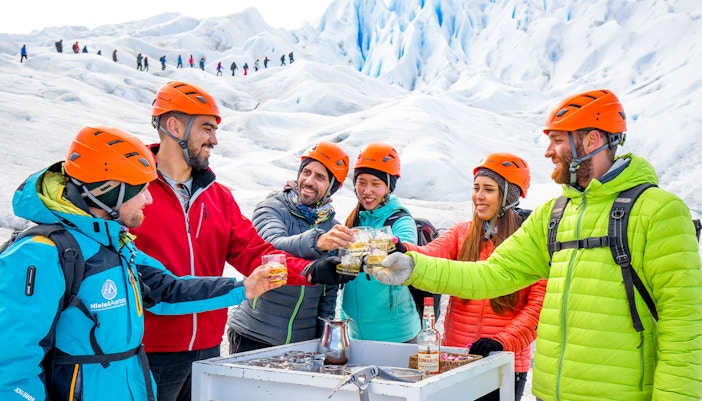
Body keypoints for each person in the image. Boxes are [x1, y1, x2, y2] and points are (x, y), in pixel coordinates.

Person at [373, 89, 702, 401]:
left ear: (591, 140)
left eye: (557, 140)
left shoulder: (658, 211)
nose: (548, 151)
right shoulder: (554, 214)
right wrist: (412, 266)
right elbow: (490, 275)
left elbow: (684, 329)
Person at [0, 124, 281, 401]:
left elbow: (167, 291)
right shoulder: (42, 254)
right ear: (108, 191)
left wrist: (244, 287)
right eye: (140, 189)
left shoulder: (116, 244)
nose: (148, 199)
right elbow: (11, 366)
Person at [130, 80, 349, 401]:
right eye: (206, 128)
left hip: (207, 350)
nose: (214, 140)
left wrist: (313, 273)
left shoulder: (218, 198)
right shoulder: (134, 193)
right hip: (151, 350)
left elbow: (255, 253)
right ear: (174, 125)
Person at [398, 153, 546, 401]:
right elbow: (430, 256)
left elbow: (537, 310)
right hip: (457, 357)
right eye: (476, 188)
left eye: (488, 189)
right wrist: (400, 249)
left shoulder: (530, 243)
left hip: (503, 361)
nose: (479, 196)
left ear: (508, 196)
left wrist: (500, 342)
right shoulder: (462, 233)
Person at [227, 142, 354, 353]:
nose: (309, 181)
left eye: (320, 177)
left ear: (332, 187)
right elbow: (270, 247)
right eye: (306, 172)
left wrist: (322, 341)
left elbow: (328, 292)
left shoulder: (332, 228)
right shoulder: (272, 207)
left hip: (300, 343)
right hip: (254, 333)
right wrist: (318, 242)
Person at [339, 142, 420, 343]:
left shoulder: (401, 221)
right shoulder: (354, 220)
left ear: (389, 186)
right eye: (361, 182)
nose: (367, 191)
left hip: (396, 333)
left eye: (376, 184)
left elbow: (404, 257)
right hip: (354, 331)